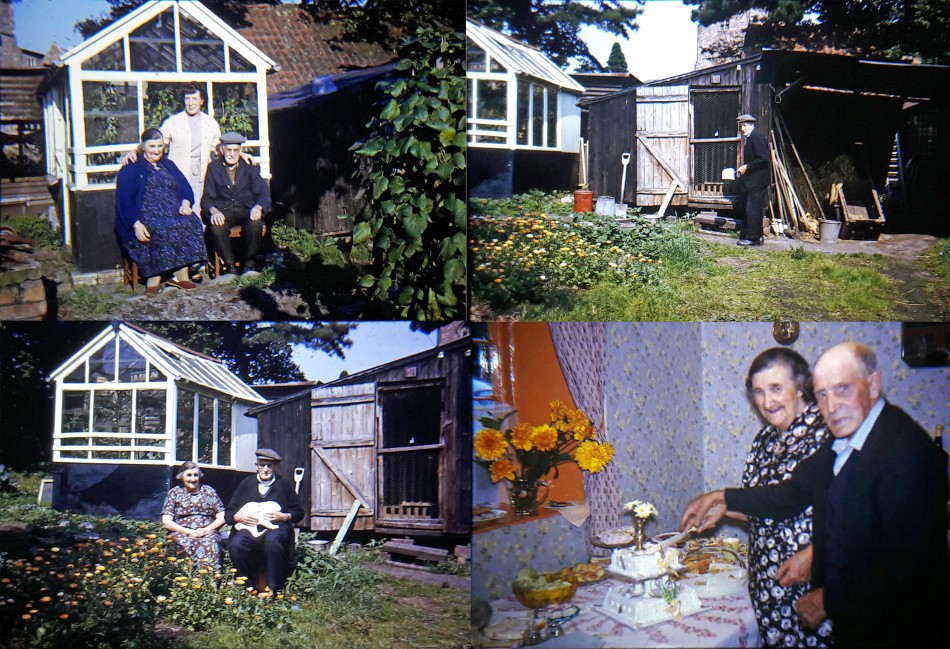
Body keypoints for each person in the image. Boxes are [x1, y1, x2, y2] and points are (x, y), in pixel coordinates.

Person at [680, 343, 949, 648]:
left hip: (898, 625)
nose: (831, 405)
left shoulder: (904, 450)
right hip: (854, 611)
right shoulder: (845, 440)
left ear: (873, 385)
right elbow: (789, 495)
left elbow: (907, 562)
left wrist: (826, 598)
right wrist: (722, 499)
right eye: (823, 394)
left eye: (843, 389)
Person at [741, 347, 832, 647]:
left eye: (776, 388)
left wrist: (817, 554)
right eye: (758, 392)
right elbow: (759, 506)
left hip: (811, 586)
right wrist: (717, 507)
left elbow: (856, 512)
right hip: (767, 585)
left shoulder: (828, 433)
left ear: (801, 387)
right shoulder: (764, 440)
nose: (767, 402)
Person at [115, 128, 206, 293]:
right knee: (160, 228)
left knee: (192, 222)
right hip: (144, 213)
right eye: (152, 146)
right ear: (143, 147)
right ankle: (154, 277)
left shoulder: (168, 164)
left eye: (160, 146)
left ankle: (181, 275)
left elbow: (185, 187)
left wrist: (185, 203)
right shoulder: (131, 167)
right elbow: (124, 200)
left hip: (172, 209)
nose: (157, 150)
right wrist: (135, 223)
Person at [225, 448, 303, 592]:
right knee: (237, 544)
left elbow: (298, 512)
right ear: (257, 466)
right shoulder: (246, 484)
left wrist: (286, 516)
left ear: (275, 467)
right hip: (249, 527)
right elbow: (229, 513)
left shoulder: (283, 485)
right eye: (262, 465)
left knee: (273, 541)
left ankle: (274, 588)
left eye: (269, 466)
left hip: (276, 527)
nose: (265, 469)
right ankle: (246, 587)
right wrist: (237, 517)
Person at [200, 132, 271, 276]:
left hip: (246, 209)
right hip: (224, 210)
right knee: (216, 226)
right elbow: (207, 198)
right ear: (222, 150)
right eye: (228, 150)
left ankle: (249, 264)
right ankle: (229, 266)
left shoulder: (249, 166)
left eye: (236, 150)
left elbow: (264, 194)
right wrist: (213, 211)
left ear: (240, 151)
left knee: (255, 223)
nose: (232, 154)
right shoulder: (214, 168)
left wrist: (258, 207)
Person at [160, 461, 226, 566]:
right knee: (181, 543)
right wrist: (188, 532)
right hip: (181, 532)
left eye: (196, 475)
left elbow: (222, 516)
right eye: (189, 475)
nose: (193, 479)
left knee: (211, 542)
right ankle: (184, 580)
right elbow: (166, 521)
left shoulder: (209, 491)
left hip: (207, 532)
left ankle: (209, 580)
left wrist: (206, 530)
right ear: (181, 477)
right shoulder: (175, 492)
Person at [735, 114, 770, 246]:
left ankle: (753, 239)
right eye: (740, 126)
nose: (742, 129)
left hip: (758, 180)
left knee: (752, 209)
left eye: (744, 125)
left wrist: (747, 166)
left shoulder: (756, 137)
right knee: (753, 208)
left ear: (751, 125)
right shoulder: (750, 138)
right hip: (754, 180)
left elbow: (764, 159)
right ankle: (758, 236)